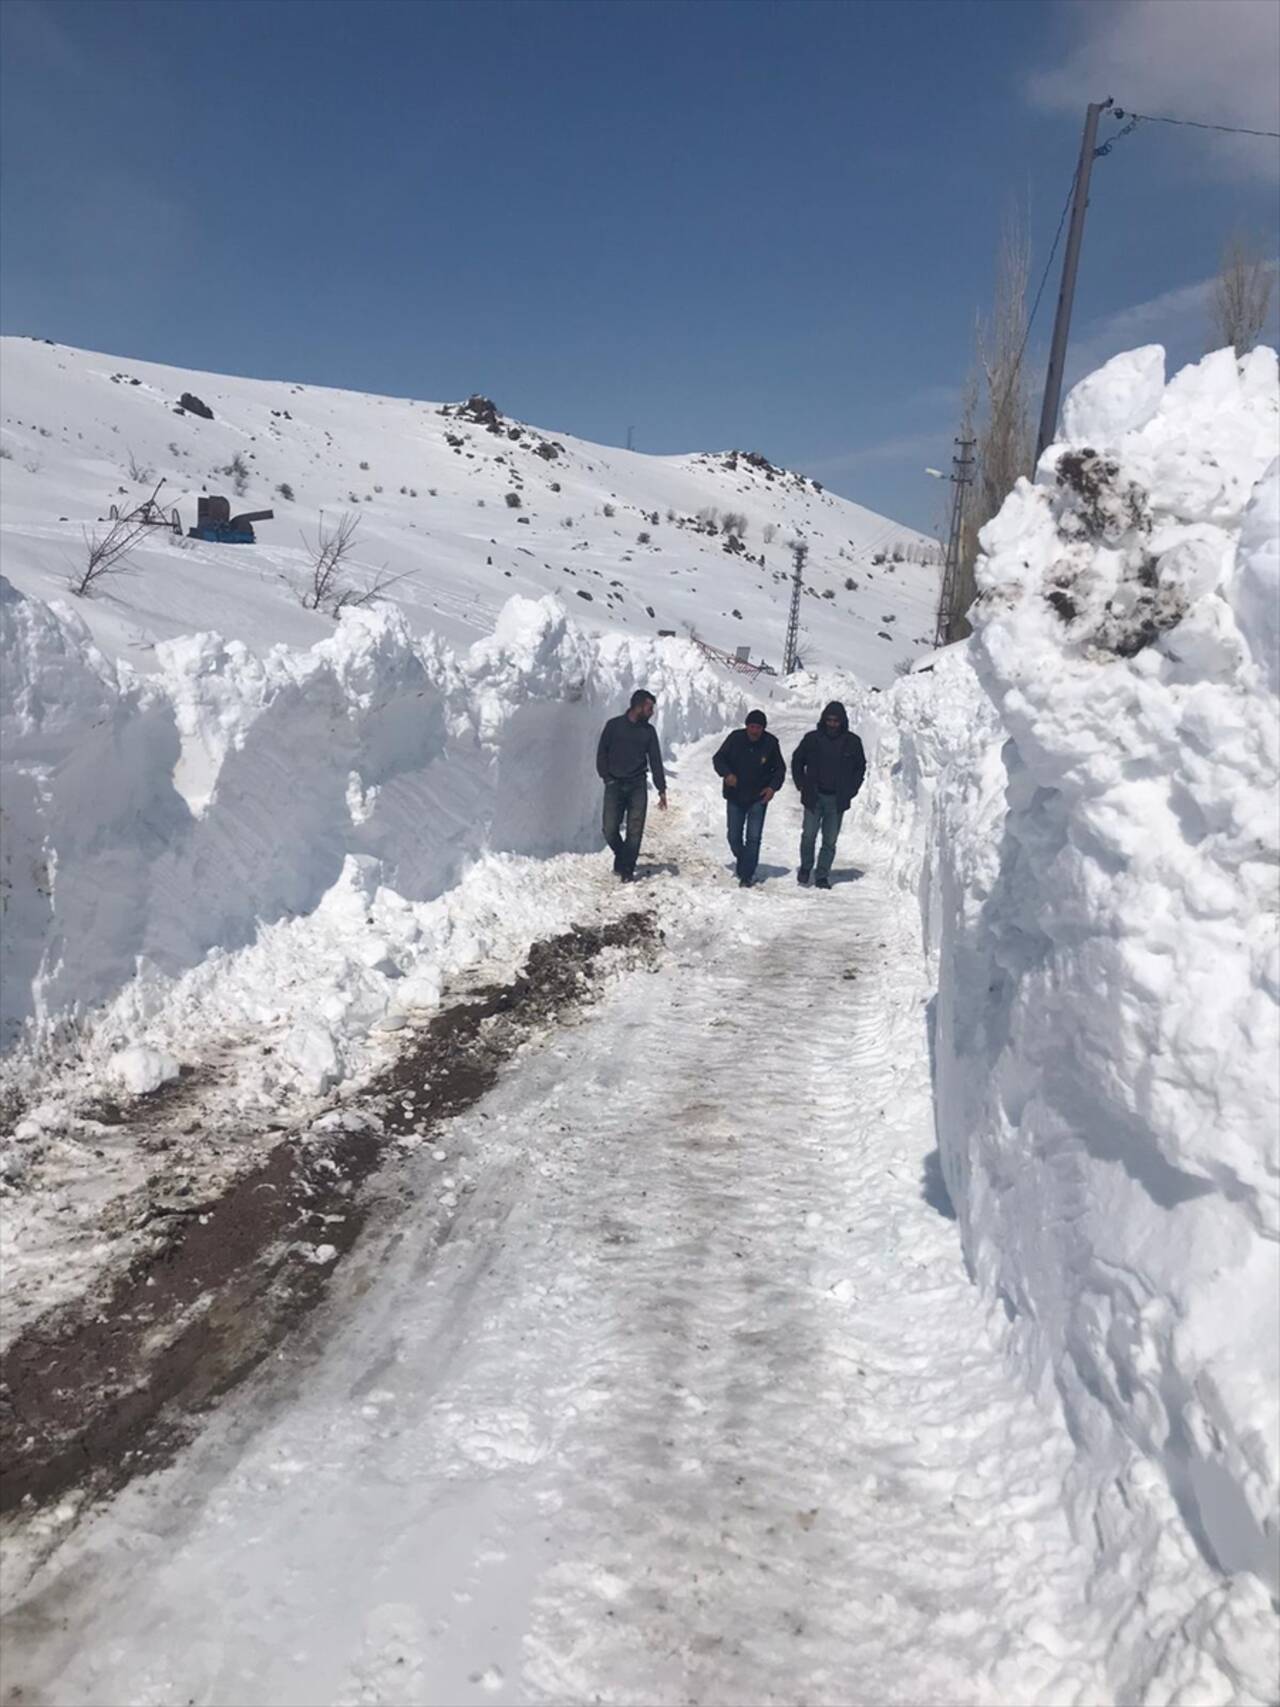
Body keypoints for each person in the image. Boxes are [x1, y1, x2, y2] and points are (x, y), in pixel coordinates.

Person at [790, 700, 866, 889]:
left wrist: (852, 789)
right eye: (829, 720)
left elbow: (860, 768)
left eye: (836, 721)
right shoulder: (812, 739)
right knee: (808, 835)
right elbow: (797, 760)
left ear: (842, 721)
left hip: (837, 799)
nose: (832, 724)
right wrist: (801, 783)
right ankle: (806, 867)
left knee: (830, 840)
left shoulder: (853, 742)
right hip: (814, 796)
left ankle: (822, 874)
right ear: (824, 720)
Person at [596, 689, 667, 881]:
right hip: (614, 784)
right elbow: (602, 752)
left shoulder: (649, 732)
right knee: (609, 829)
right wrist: (607, 777)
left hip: (637, 785)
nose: (651, 712)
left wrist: (661, 788)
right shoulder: (614, 726)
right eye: (649, 707)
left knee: (635, 830)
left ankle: (627, 869)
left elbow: (655, 760)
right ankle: (623, 856)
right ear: (637, 706)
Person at [712, 709, 785, 887]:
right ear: (746, 726)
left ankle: (746, 875)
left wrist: (772, 788)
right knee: (733, 836)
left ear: (763, 728)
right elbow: (718, 758)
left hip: (758, 798)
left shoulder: (771, 743)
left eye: (758, 727)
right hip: (735, 795)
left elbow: (780, 769)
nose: (754, 731)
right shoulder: (735, 739)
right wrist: (727, 774)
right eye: (751, 726)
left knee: (753, 837)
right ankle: (745, 858)